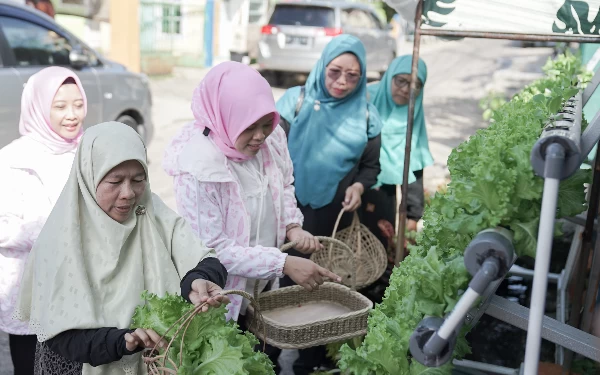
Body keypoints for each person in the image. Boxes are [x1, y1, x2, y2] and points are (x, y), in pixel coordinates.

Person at [163, 61, 340, 373]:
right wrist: (283, 263)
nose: (260, 136)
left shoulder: (272, 140)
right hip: (222, 295)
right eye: (250, 127)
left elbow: (284, 182)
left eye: (266, 123)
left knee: (264, 358)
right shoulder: (198, 167)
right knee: (232, 359)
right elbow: (213, 251)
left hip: (263, 287)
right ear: (224, 118)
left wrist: (292, 225)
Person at [13, 122, 229, 375]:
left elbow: (204, 258)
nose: (128, 193)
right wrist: (122, 340)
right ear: (88, 176)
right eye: (115, 181)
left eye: (138, 180)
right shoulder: (60, 241)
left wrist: (198, 279)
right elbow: (61, 336)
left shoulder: (151, 211)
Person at [275, 34, 383, 374]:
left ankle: (310, 359)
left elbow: (371, 167)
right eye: (335, 71)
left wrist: (359, 187)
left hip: (332, 215)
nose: (342, 82)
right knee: (276, 285)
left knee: (323, 287)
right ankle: (269, 355)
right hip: (285, 211)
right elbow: (269, 160)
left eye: (353, 75)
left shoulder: (366, 114)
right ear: (322, 66)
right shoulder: (294, 102)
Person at [0, 67, 87, 375]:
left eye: (78, 104)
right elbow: (4, 227)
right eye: (60, 106)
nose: (72, 115)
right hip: (29, 286)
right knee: (29, 363)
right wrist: (59, 232)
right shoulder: (13, 159)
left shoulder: (86, 151)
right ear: (38, 106)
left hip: (76, 285)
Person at [361, 55, 433, 249]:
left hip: (384, 190)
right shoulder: (366, 98)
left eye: (415, 84)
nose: (406, 89)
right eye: (401, 80)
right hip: (353, 183)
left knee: (380, 245)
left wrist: (413, 214)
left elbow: (414, 161)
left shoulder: (413, 112)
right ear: (390, 76)